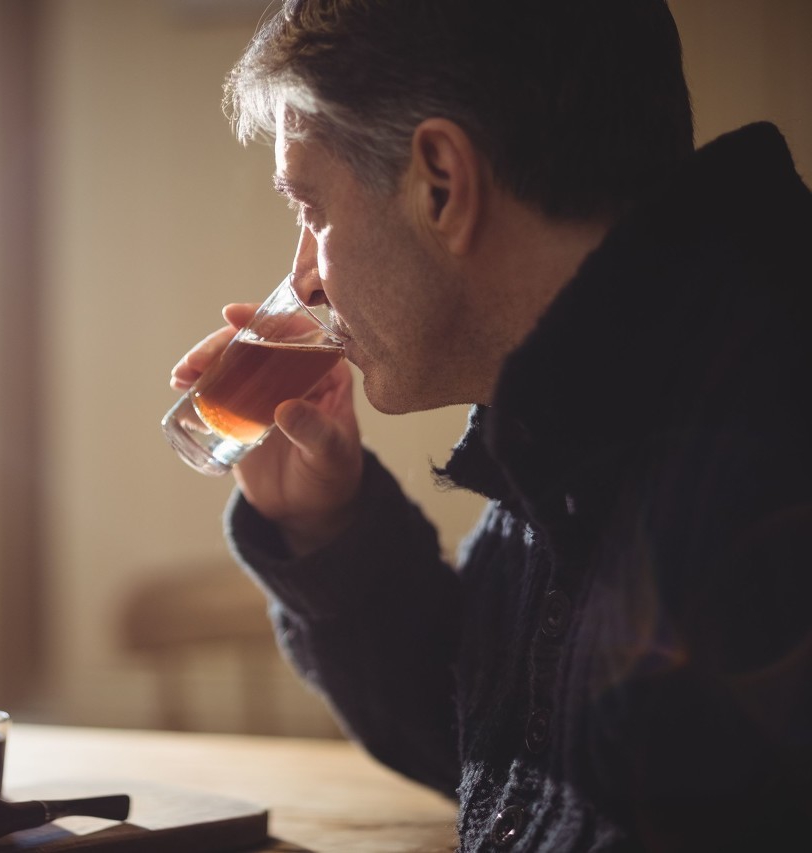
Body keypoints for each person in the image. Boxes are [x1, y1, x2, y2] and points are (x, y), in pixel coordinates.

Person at [169, 1, 811, 849]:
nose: (306, 277)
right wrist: (329, 525)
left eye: (312, 208)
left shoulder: (769, 433)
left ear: (442, 183)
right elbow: (514, 752)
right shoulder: (585, 391)